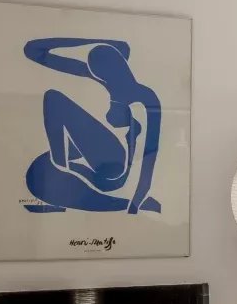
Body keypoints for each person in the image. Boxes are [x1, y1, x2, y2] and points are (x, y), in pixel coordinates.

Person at [20, 37, 163, 214]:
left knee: (54, 99)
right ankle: (62, 184)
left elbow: (149, 154)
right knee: (40, 167)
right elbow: (33, 50)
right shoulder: (104, 78)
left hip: (116, 170)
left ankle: (62, 176)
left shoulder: (144, 98)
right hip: (103, 158)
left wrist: (136, 202)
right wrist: (95, 41)